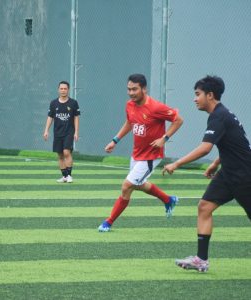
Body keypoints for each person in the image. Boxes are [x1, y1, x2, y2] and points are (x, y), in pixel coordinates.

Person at [163, 75, 251, 272]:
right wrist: (216, 163)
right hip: (228, 173)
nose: (195, 99)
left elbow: (205, 148)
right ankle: (201, 260)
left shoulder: (220, 116)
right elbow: (233, 143)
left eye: (197, 94)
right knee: (204, 207)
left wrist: (176, 163)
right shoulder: (221, 115)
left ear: (210, 95)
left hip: (245, 176)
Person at [98, 73, 183, 232]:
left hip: (151, 156)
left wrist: (164, 138)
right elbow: (130, 122)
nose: (131, 93)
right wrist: (115, 140)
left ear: (144, 89)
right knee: (138, 185)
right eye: (129, 89)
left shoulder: (156, 107)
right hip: (137, 154)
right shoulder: (130, 105)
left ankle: (108, 222)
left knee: (127, 186)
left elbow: (179, 120)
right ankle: (168, 200)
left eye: (134, 89)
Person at [43, 81, 80, 183]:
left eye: (65, 89)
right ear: (58, 90)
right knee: (60, 155)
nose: (63, 90)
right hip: (57, 133)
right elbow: (50, 117)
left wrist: (76, 132)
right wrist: (46, 130)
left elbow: (76, 118)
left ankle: (69, 176)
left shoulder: (73, 103)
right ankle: (64, 176)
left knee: (66, 152)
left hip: (69, 132)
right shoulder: (53, 103)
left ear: (68, 90)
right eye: (61, 88)